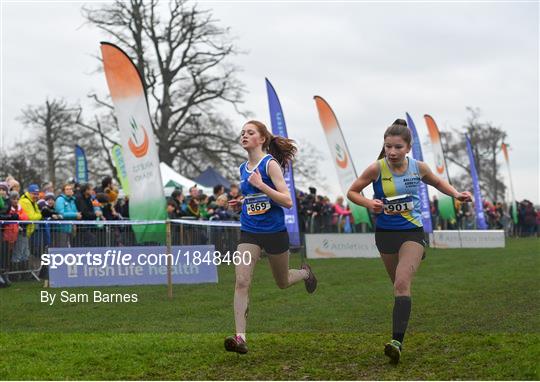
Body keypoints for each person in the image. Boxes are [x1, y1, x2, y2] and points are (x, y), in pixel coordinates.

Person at [347, 118, 472, 364]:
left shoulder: (419, 168)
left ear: (408, 148)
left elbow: (437, 182)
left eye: (397, 147)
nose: (392, 152)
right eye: (388, 147)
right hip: (385, 235)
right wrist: (369, 203)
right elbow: (352, 191)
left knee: (402, 283)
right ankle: (412, 262)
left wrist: (457, 194)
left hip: (412, 231)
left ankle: (396, 342)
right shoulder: (376, 168)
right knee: (397, 286)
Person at [224, 120, 317, 355]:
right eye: (242, 132)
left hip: (275, 232)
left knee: (282, 281)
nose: (244, 135)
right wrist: (242, 203)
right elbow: (254, 198)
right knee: (242, 281)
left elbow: (286, 201)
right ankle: (240, 337)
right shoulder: (242, 168)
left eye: (250, 132)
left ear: (262, 138)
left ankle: (306, 273)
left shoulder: (270, 164)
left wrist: (261, 186)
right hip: (249, 232)